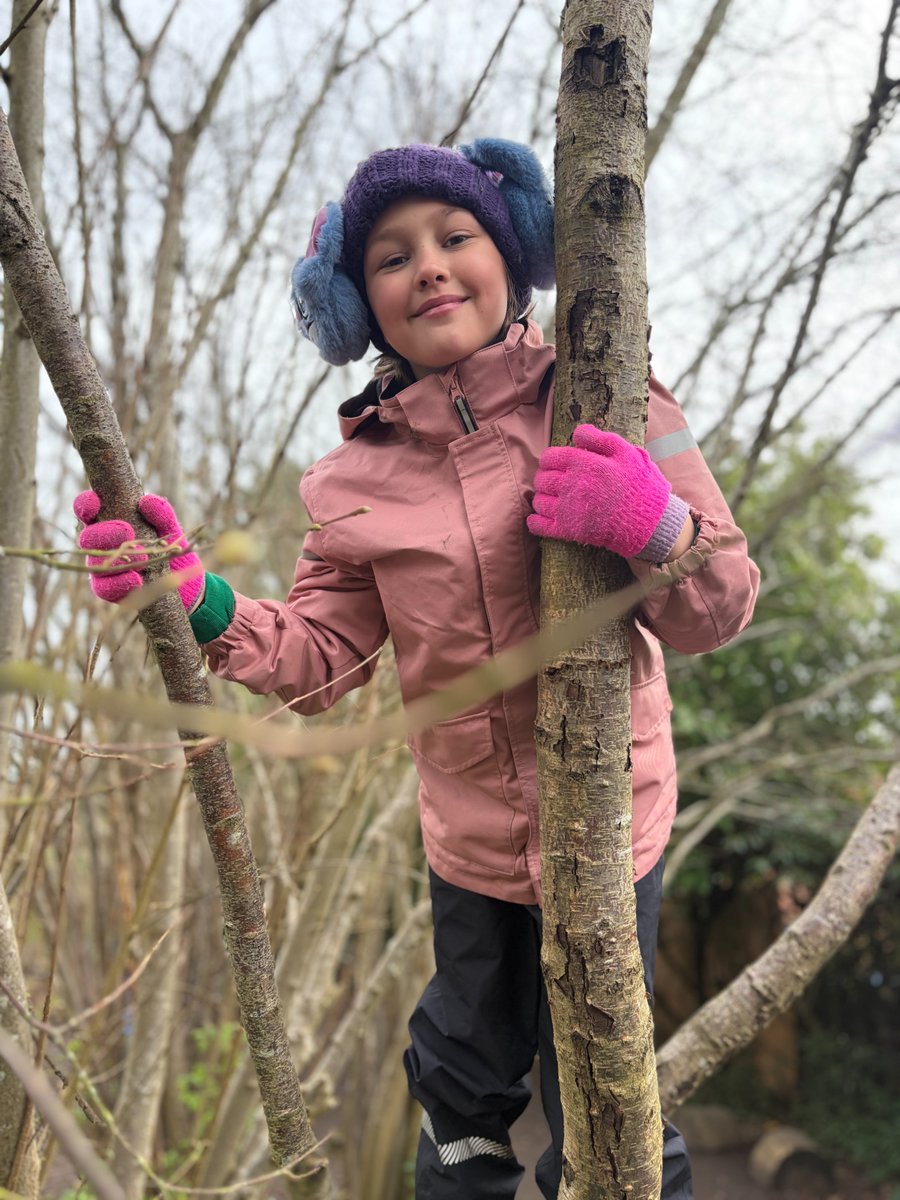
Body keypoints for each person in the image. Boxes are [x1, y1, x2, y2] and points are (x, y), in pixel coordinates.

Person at [75, 138, 759, 1200]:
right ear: (357, 307)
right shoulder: (353, 481)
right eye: (391, 258)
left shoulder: (611, 394)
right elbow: (319, 660)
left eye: (455, 237)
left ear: (514, 253)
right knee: (460, 1075)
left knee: (606, 1096)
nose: (429, 267)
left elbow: (721, 603)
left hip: (615, 821)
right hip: (470, 842)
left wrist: (650, 522)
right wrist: (198, 596)